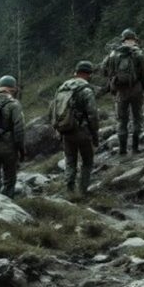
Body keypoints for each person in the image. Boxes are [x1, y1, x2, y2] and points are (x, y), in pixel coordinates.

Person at [51, 61, 100, 195]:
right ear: (88, 74)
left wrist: (57, 129)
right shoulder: (86, 90)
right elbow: (92, 114)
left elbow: (54, 110)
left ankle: (69, 190)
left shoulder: (62, 88)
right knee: (87, 161)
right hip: (82, 131)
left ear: (76, 72)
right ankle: (83, 191)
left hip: (66, 130)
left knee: (70, 161)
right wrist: (95, 134)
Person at [101, 29, 144, 155]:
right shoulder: (138, 53)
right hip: (136, 89)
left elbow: (104, 70)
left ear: (122, 40)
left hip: (120, 91)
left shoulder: (113, 54)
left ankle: (122, 150)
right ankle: (135, 148)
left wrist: (113, 79)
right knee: (137, 118)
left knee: (122, 121)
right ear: (134, 39)